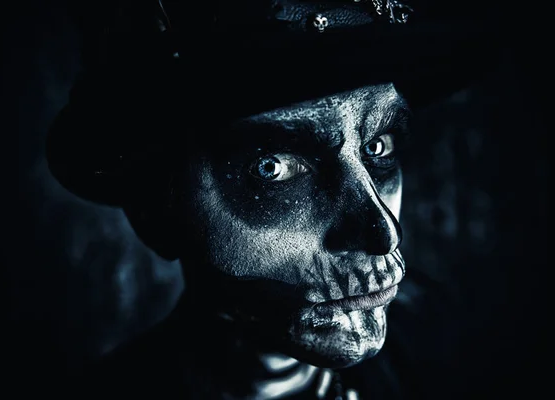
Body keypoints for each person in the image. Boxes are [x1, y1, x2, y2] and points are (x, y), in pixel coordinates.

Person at [46, 0, 499, 398]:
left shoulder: (455, 359)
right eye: (274, 168)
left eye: (377, 147)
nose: (383, 234)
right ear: (156, 212)